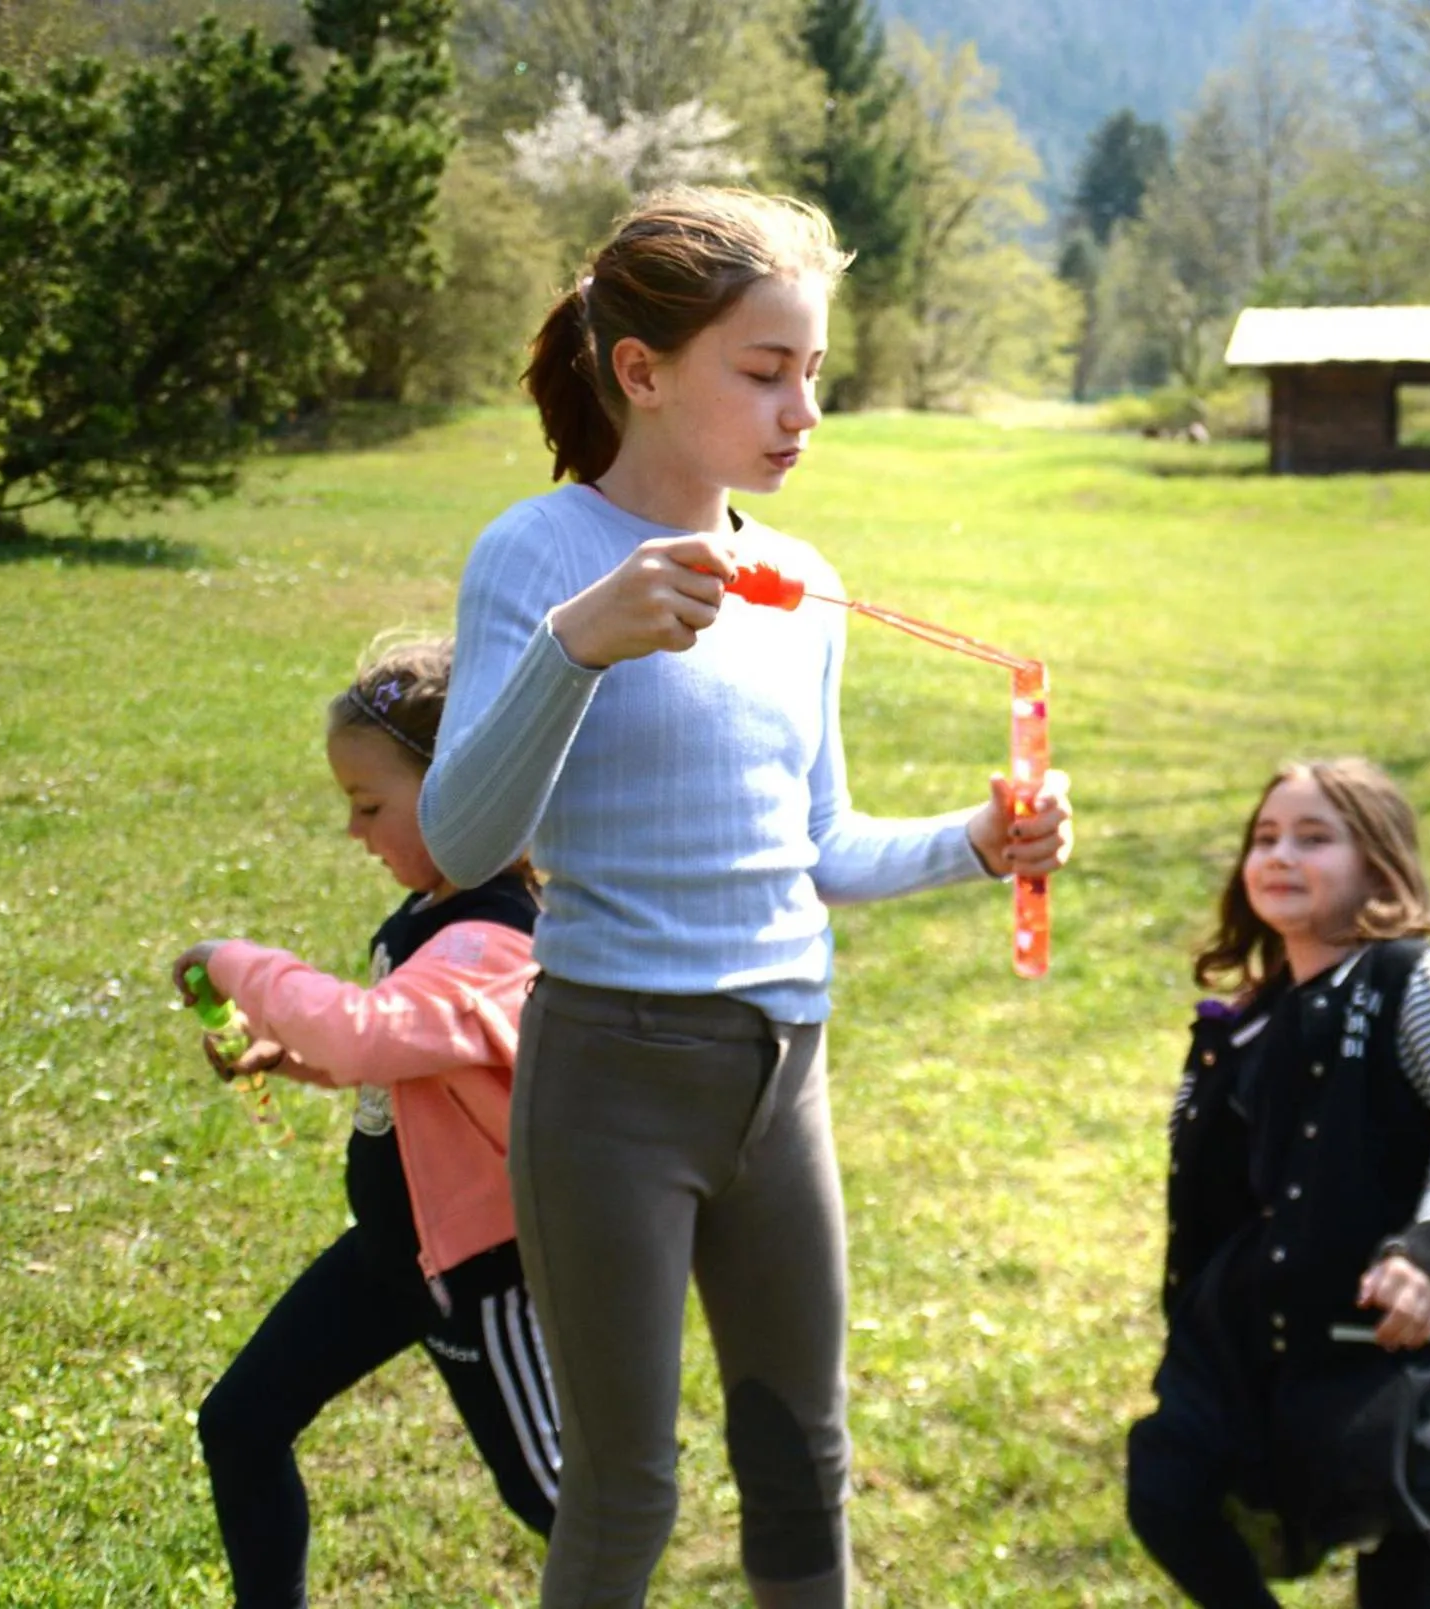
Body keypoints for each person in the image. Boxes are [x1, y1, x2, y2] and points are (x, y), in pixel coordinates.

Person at [417, 185, 1075, 1609]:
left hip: (786, 1076)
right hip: (608, 1078)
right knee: (628, 1490)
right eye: (765, 373)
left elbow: (819, 846)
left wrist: (980, 838)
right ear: (642, 372)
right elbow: (464, 840)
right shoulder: (535, 556)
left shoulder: (802, 579)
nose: (803, 413)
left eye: (813, 375)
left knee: (803, 1464)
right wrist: (576, 648)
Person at [172, 636, 559, 1609]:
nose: (354, 830)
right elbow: (403, 1067)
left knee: (564, 1500)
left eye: (370, 803)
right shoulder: (426, 915)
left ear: (464, 790)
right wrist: (289, 1057)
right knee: (242, 1420)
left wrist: (235, 961)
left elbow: (364, 1033)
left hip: (481, 1273)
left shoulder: (491, 938)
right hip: (397, 1252)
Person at [1126, 757, 1430, 1608]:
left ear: (1379, 864)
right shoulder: (1241, 1022)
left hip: (1388, 1353)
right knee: (1165, 1491)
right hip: (1259, 1345)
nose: (1280, 854)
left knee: (1406, 1580)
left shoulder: (1409, 980)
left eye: (1315, 838)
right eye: (1266, 836)